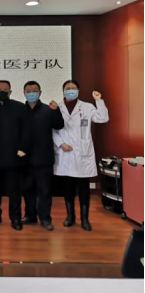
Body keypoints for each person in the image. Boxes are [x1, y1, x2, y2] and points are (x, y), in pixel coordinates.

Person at [53, 80, 109, 232]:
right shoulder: (57, 107)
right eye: (68, 88)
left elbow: (103, 118)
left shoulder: (87, 107)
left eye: (73, 88)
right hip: (65, 153)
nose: (70, 90)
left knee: (84, 188)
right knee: (68, 189)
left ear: (78, 90)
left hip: (82, 153)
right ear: (63, 90)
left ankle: (85, 219)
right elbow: (53, 130)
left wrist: (99, 101)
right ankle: (70, 217)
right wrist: (61, 144)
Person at [0, 80, 30, 231]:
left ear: (10, 92)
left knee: (14, 190)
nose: (2, 92)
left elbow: (26, 130)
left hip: (14, 155)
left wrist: (23, 148)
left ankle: (15, 218)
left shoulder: (20, 107)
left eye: (5, 90)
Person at [21, 81, 65, 231]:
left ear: (40, 93)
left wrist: (56, 111)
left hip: (44, 156)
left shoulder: (48, 109)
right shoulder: (20, 110)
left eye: (34, 91)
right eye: (28, 91)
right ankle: (30, 215)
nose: (31, 93)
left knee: (44, 190)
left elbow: (59, 125)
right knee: (28, 189)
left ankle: (45, 218)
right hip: (25, 157)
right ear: (24, 93)